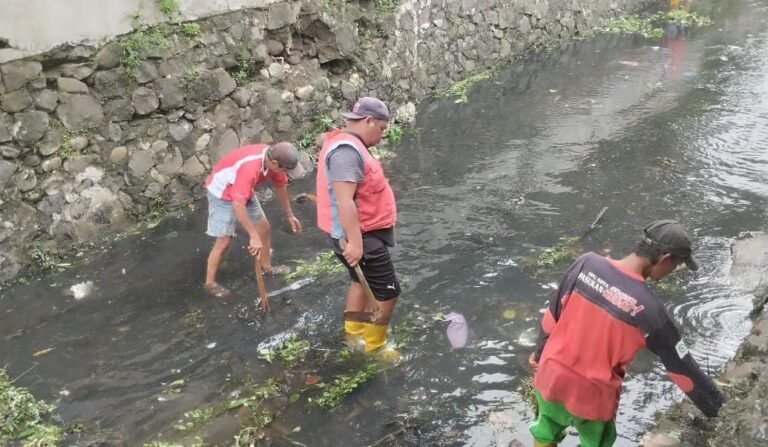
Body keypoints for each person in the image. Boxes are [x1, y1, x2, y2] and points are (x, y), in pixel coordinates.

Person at [528, 220, 725, 447]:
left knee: (544, 432)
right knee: (595, 442)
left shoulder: (586, 263)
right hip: (593, 394)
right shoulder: (649, 310)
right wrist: (719, 408)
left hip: (552, 376)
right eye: (677, 264)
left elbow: (552, 315)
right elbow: (682, 366)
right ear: (664, 259)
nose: (673, 271)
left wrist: (539, 353)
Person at [315, 97, 400, 353]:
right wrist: (355, 243)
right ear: (369, 120)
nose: (382, 135)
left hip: (358, 233)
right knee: (388, 291)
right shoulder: (346, 152)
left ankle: (354, 337)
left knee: (358, 284)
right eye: (382, 129)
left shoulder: (347, 144)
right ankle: (375, 347)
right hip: (360, 235)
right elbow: (345, 201)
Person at [203, 142, 305, 298]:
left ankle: (266, 267)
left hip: (240, 187)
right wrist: (253, 236)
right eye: (285, 170)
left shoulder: (274, 162)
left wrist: (289, 214)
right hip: (221, 190)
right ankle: (209, 283)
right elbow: (238, 205)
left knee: (264, 227)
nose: (286, 173)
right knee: (224, 240)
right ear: (275, 164)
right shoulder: (250, 169)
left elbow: (280, 187)